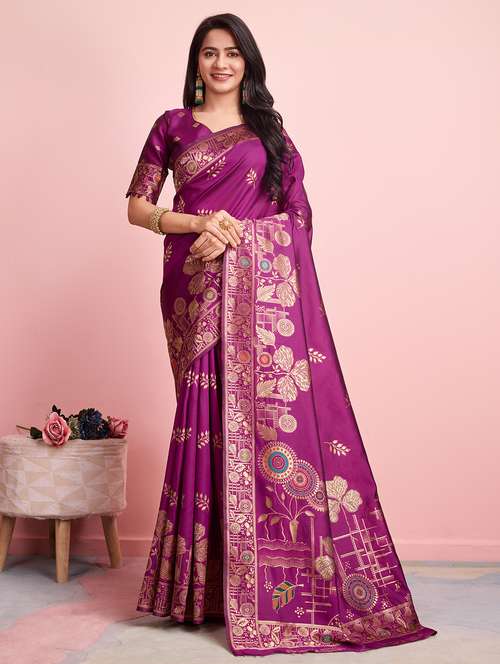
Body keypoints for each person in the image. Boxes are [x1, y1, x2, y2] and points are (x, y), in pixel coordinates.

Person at [125, 12, 438, 657]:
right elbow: (136, 205)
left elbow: (296, 217)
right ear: (196, 63)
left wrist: (240, 239)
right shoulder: (172, 125)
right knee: (205, 420)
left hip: (258, 300)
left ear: (248, 62)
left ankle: (269, 585)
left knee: (266, 429)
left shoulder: (270, 131)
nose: (221, 64)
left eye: (232, 54)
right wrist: (198, 224)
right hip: (194, 288)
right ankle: (200, 591)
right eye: (209, 53)